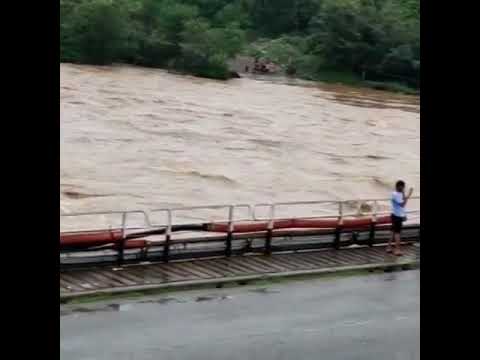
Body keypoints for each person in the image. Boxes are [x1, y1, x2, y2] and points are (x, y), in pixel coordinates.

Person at [388, 180, 414, 256]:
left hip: (396, 215)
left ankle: (389, 247)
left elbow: (402, 201)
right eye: (402, 187)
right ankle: (397, 250)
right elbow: (402, 204)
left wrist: (404, 214)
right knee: (397, 233)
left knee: (393, 232)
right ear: (399, 187)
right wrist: (409, 195)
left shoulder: (397, 193)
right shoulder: (395, 194)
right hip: (397, 216)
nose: (403, 188)